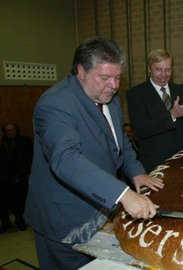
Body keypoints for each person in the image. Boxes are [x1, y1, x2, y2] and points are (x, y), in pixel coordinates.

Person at [24, 37, 164, 270]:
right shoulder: (55, 103)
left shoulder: (110, 97)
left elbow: (120, 142)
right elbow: (66, 159)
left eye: (118, 77)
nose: (114, 85)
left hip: (99, 211)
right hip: (63, 221)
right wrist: (123, 194)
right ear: (81, 71)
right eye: (105, 77)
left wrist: (136, 172)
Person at [126, 49, 183, 172]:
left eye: (168, 70)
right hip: (155, 163)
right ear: (149, 69)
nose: (164, 75)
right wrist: (172, 114)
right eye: (158, 69)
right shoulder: (136, 94)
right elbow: (142, 130)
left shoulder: (180, 90)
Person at [0, 123, 33, 232]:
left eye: (12, 130)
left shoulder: (24, 141)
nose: (10, 132)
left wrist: (25, 173)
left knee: (20, 201)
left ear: (16, 130)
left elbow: (30, 157)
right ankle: (6, 222)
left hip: (22, 176)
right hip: (6, 178)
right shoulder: (2, 144)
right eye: (7, 130)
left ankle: (20, 220)